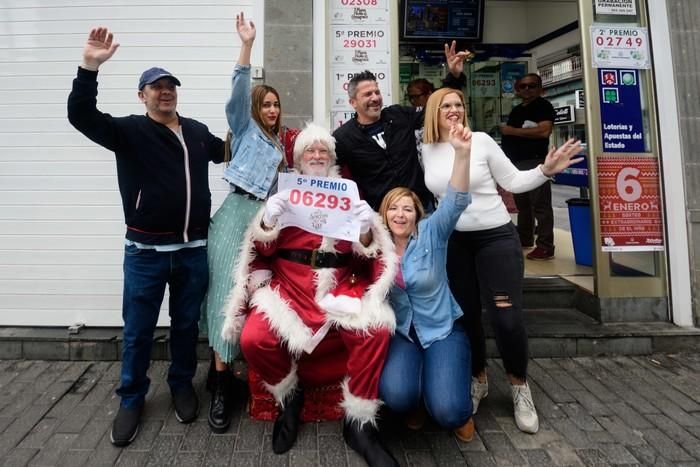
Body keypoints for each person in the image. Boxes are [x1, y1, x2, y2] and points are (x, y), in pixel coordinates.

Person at [67, 27, 225, 446]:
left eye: (170, 86)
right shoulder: (129, 131)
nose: (165, 92)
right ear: (142, 95)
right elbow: (81, 116)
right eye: (156, 87)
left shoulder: (195, 130)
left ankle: (180, 384)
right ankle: (131, 398)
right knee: (138, 330)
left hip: (193, 251)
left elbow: (229, 151)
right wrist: (89, 68)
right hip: (146, 252)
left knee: (187, 325)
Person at [221, 123, 400, 467]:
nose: (316, 156)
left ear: (331, 157)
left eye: (323, 151)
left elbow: (368, 257)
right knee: (254, 338)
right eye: (309, 151)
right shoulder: (284, 195)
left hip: (338, 284)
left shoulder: (349, 193)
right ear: (298, 159)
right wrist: (269, 221)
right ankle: (289, 398)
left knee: (375, 329)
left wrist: (365, 232)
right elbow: (262, 250)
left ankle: (359, 422)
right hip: (288, 286)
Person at [420, 88, 582, 434]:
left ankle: (519, 386)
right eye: (446, 105)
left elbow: (512, 181)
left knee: (506, 318)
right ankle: (478, 379)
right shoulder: (426, 148)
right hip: (454, 243)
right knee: (466, 317)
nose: (454, 110)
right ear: (434, 111)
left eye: (459, 105)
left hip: (495, 237)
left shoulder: (481, 141)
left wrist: (545, 170)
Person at [201, 12, 298, 434]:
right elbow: (238, 96)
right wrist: (246, 47)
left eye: (276, 104)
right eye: (267, 104)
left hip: (261, 220)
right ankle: (222, 388)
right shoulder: (244, 129)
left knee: (249, 296)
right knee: (225, 294)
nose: (273, 109)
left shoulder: (280, 145)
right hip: (235, 213)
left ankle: (229, 372)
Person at [378, 123, 475, 442]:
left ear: (418, 214)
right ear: (385, 214)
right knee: (396, 396)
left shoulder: (433, 231)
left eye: (408, 208)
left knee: (448, 409)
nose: (401, 214)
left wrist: (462, 154)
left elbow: (456, 200)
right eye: (394, 208)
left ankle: (458, 407)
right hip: (404, 333)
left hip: (442, 329)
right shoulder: (377, 248)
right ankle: (417, 399)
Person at [333, 41, 470, 212]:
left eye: (377, 92)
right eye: (368, 94)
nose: (375, 98)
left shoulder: (398, 115)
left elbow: (433, 111)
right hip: (382, 218)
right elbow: (330, 174)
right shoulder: (343, 137)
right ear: (353, 102)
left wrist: (453, 76)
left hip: (421, 209)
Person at [500, 73, 557, 260]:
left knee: (540, 205)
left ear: (540, 88)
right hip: (516, 163)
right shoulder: (517, 110)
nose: (526, 89)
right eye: (522, 86)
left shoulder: (543, 106)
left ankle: (546, 246)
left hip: (535, 162)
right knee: (522, 204)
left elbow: (544, 131)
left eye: (531, 86)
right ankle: (525, 238)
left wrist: (511, 131)